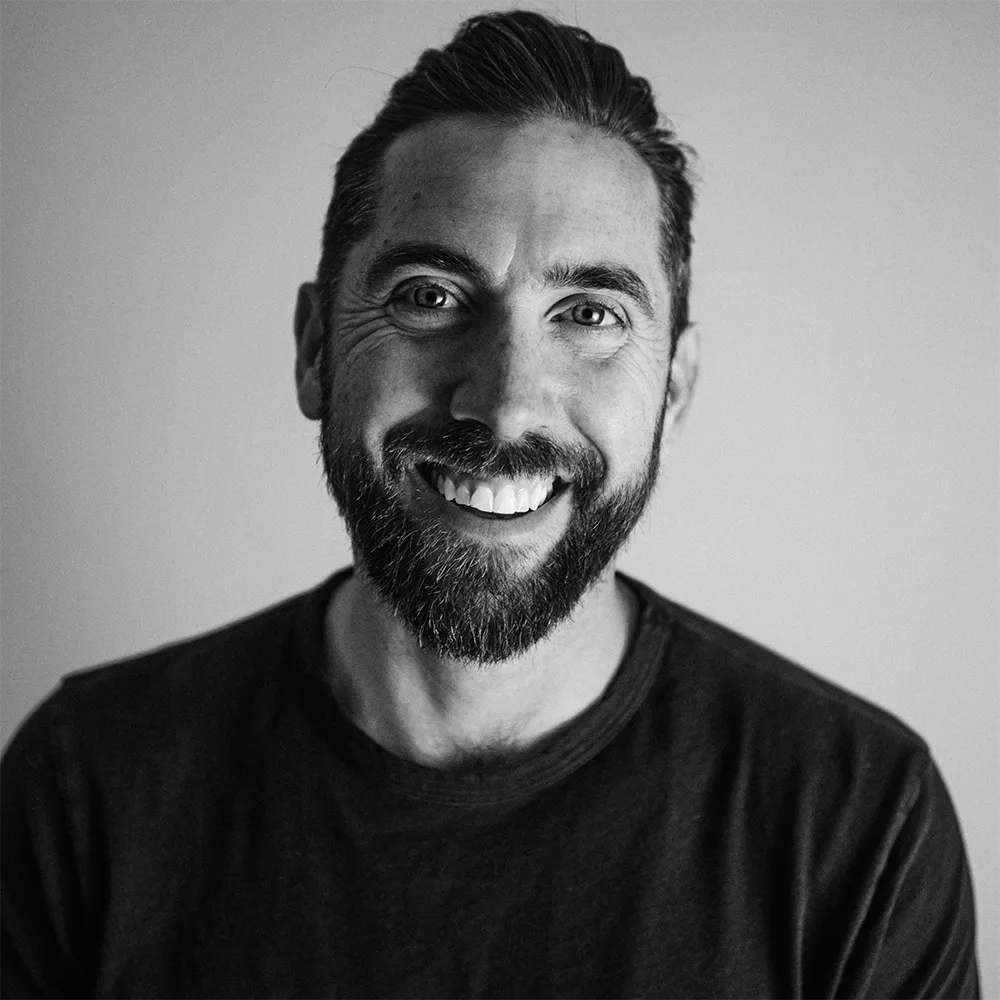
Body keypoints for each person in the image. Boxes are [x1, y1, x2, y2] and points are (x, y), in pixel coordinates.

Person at [0, 9, 980, 998]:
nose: (505, 400)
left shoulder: (856, 825)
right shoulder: (90, 784)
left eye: (589, 314)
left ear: (673, 391)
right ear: (312, 350)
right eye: (430, 295)